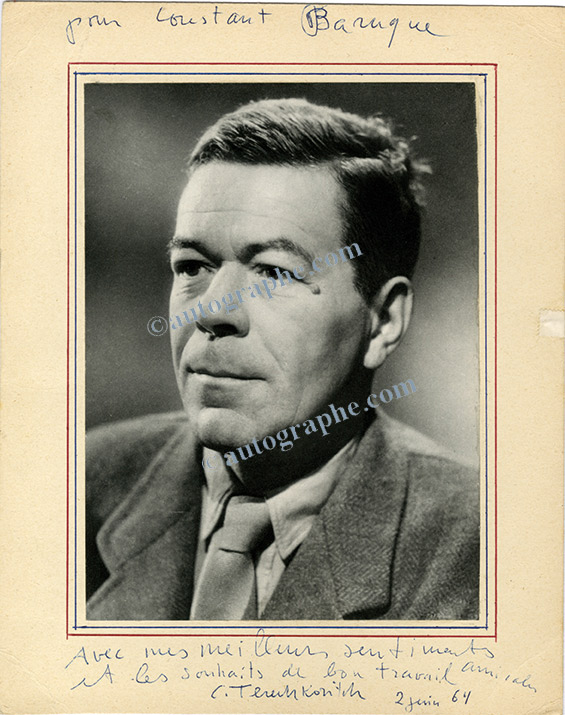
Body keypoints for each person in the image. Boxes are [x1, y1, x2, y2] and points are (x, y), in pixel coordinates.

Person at [86, 98, 479, 621]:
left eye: (273, 272)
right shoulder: (76, 486)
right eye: (192, 266)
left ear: (383, 321)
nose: (212, 310)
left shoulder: (482, 549)